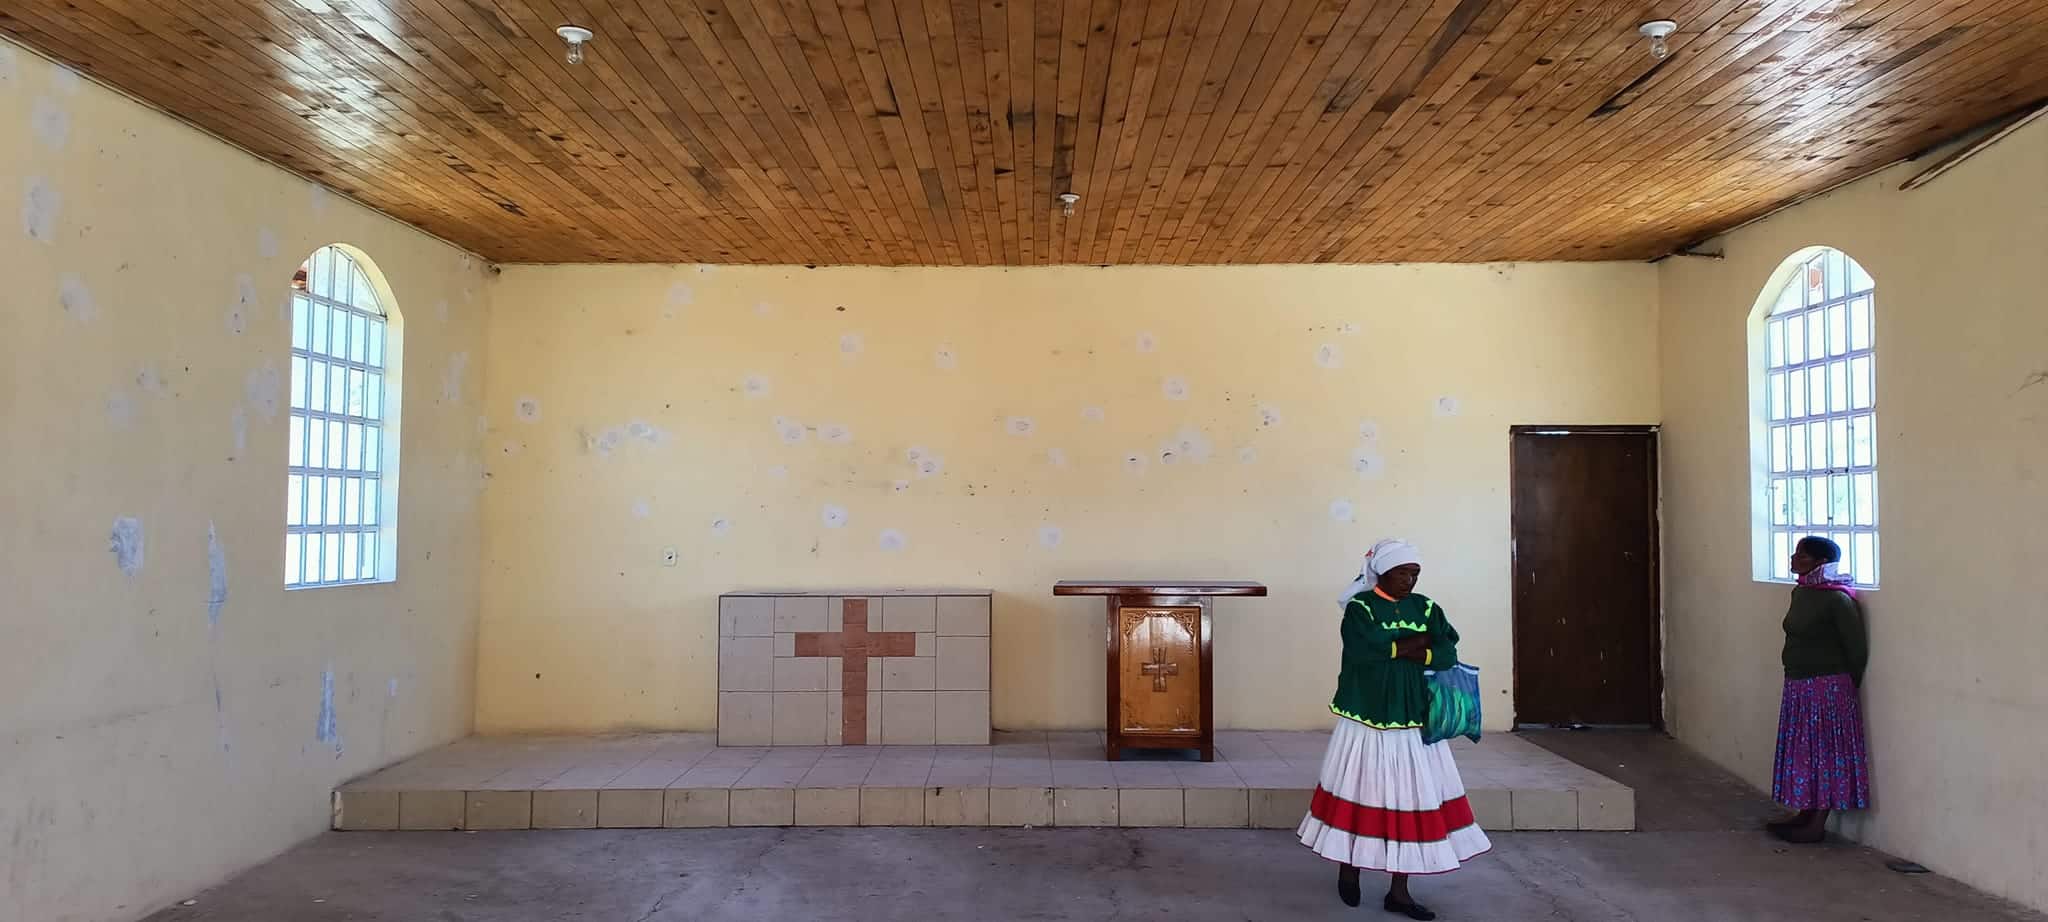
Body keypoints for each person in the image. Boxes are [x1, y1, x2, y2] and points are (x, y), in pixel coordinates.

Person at [1298, 539, 1490, 920]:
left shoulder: (1427, 607)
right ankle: (1349, 868)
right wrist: (1415, 642)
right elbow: (1363, 649)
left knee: (1411, 799)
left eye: (1415, 573)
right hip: (1366, 718)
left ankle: (1399, 892)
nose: (1410, 581)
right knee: (1360, 789)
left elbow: (1448, 649)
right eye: (1403, 572)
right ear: (1382, 572)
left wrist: (1404, 647)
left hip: (1414, 718)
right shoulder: (1360, 608)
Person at [1767, 536, 1871, 843]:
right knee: (1804, 751)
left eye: (1802, 555)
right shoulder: (1802, 592)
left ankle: (1817, 823)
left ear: (1821, 563)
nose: (1793, 558)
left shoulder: (1838, 599)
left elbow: (1856, 650)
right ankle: (1805, 813)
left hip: (1827, 688)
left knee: (1824, 752)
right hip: (1799, 684)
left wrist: (1840, 688)